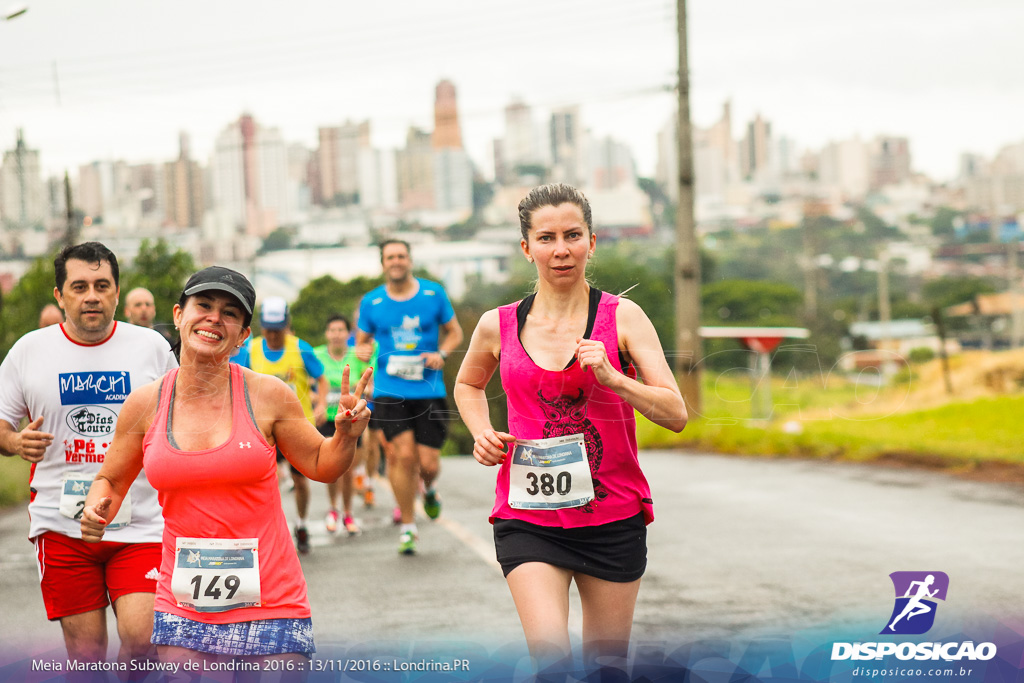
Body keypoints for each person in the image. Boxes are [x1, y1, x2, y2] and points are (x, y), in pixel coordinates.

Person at [79, 266, 371, 671]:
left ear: (243, 335)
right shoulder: (145, 404)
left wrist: (345, 436)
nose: (215, 318)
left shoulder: (269, 395)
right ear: (179, 315)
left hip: (272, 599)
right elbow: (110, 479)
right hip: (184, 604)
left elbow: (322, 464)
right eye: (204, 305)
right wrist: (97, 508)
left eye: (230, 313)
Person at [453, 184, 687, 672]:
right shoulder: (497, 325)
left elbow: (674, 413)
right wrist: (482, 432)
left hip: (611, 517)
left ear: (592, 242)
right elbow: (468, 385)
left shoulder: (623, 318)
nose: (561, 249)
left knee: (606, 668)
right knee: (552, 663)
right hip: (529, 516)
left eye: (572, 235)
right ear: (527, 248)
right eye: (546, 238)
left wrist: (614, 378)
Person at [0, 242, 178, 664]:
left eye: (102, 285)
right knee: (86, 654)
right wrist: (12, 441)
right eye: (79, 286)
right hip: (63, 529)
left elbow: (181, 420)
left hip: (142, 524)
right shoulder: (29, 351)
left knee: (141, 641)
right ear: (60, 296)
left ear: (118, 292)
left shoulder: (151, 346)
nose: (92, 295)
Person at [356, 239, 463, 555]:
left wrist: (441, 353)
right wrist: (363, 351)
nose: (396, 261)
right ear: (383, 263)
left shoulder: (433, 294)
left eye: (401, 255)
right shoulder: (372, 302)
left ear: (409, 259)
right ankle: (407, 526)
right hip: (391, 392)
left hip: (429, 390)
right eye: (390, 257)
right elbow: (362, 342)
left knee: (427, 463)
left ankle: (429, 489)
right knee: (402, 457)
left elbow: (454, 331)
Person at [236, 296, 329, 554]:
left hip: (298, 425)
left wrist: (321, 404)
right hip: (262, 428)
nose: (273, 335)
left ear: (287, 325)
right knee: (268, 481)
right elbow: (237, 382)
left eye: (278, 329)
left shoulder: (301, 348)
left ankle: (301, 523)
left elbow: (321, 379)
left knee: (300, 480)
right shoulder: (250, 350)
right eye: (268, 329)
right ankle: (271, 531)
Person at [313, 313, 377, 535]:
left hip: (351, 420)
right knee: (330, 470)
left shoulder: (356, 355)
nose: (336, 335)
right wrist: (318, 403)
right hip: (328, 420)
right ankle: (333, 509)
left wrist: (362, 398)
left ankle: (348, 513)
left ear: (347, 334)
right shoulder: (316, 355)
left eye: (341, 330)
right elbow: (309, 387)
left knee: (348, 470)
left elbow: (368, 385)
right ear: (327, 333)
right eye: (332, 330)